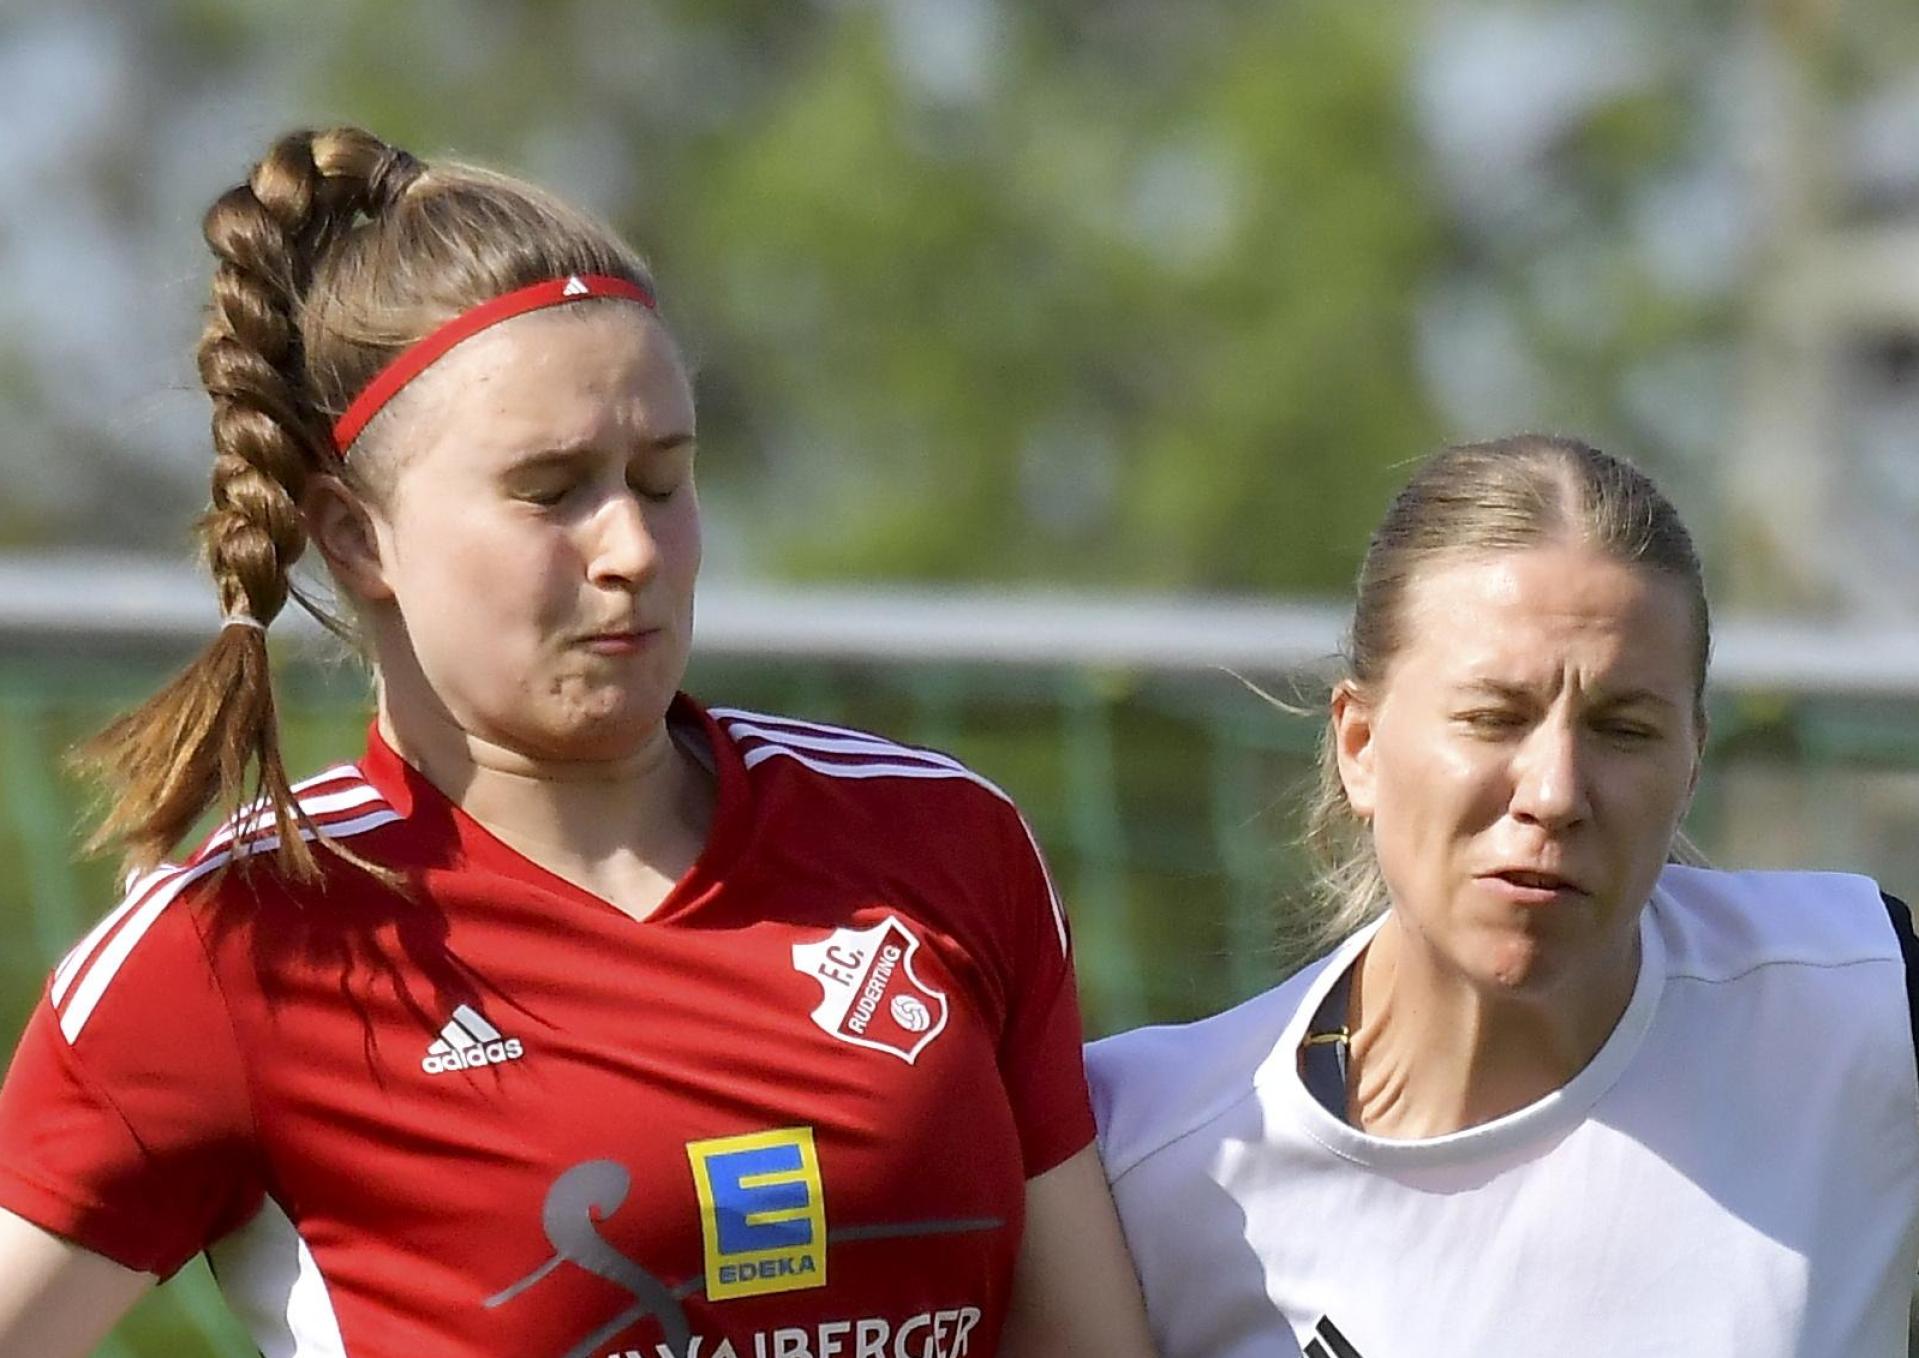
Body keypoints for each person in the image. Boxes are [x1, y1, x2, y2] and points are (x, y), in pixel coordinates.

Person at [0, 126, 1157, 1358]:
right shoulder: (238, 941)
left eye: (660, 479)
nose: (633, 551)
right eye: (551, 491)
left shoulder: (937, 839)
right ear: (354, 537)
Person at [1088, 434, 1919, 1357]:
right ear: (1359, 747)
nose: (1555, 792)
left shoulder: (1862, 1003)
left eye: (1623, 729)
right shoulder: (1145, 1155)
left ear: (1691, 765)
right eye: (1492, 718)